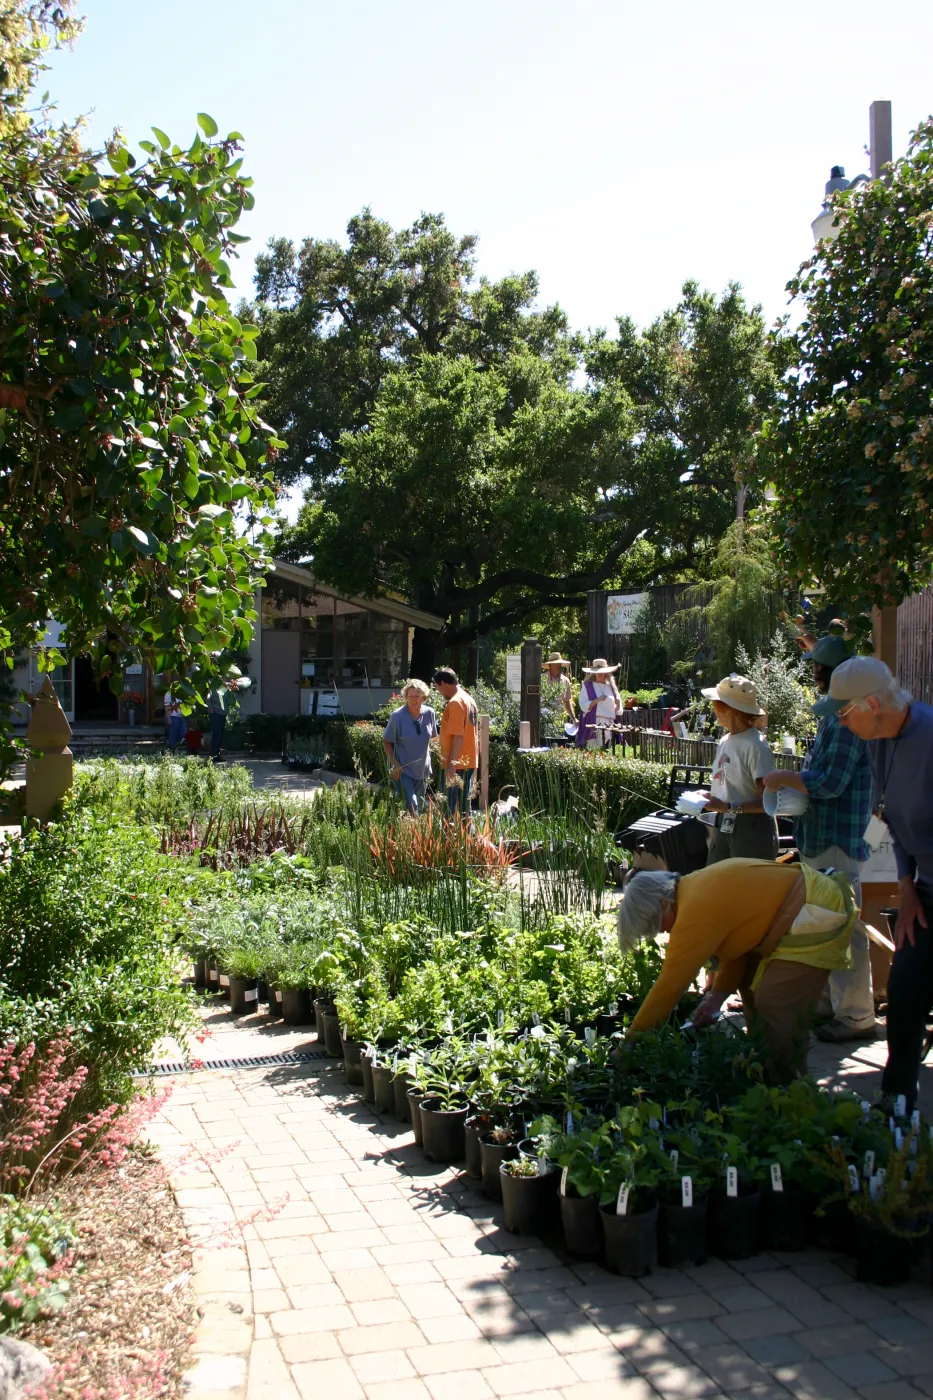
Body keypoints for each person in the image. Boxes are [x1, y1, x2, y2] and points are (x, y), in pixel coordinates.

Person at [618, 858, 859, 1079]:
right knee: (751, 987)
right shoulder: (695, 888)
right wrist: (716, 1000)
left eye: (657, 924)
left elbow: (668, 988)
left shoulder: (694, 909)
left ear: (663, 902)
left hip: (814, 909)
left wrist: (628, 1045)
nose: (662, 932)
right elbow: (739, 948)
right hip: (803, 907)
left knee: (773, 1003)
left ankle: (789, 1090)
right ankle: (767, 1075)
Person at [822, 656, 933, 1111]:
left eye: (845, 715)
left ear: (871, 703)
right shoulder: (877, 742)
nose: (842, 726)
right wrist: (906, 885)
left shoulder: (928, 737)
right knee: (906, 989)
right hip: (924, 887)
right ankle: (896, 1100)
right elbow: (892, 818)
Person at [762, 635, 875, 1044]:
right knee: (822, 926)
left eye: (817, 667)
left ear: (832, 672)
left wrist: (786, 778)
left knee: (846, 927)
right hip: (820, 835)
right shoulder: (833, 713)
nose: (812, 673)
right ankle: (830, 1005)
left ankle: (858, 1015)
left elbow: (831, 782)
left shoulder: (849, 720)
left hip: (838, 840)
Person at [700, 674, 777, 863]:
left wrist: (729, 807)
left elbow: (769, 803)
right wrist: (712, 798)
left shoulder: (756, 745)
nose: (713, 709)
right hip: (723, 827)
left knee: (747, 890)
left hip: (751, 833)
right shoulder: (725, 741)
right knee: (717, 885)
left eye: (716, 704)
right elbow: (729, 789)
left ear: (729, 709)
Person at [382, 679, 437, 814]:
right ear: (406, 697)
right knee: (412, 804)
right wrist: (395, 764)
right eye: (410, 696)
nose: (414, 700)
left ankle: (411, 833)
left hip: (422, 770)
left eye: (417, 696)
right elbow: (386, 742)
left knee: (419, 805)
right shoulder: (397, 716)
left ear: (423, 697)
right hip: (402, 770)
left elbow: (434, 738)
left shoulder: (430, 713)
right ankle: (412, 831)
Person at [432, 668, 477, 817]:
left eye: (437, 688)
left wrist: (451, 764)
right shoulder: (468, 699)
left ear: (443, 684)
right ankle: (467, 838)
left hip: (456, 762)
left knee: (449, 807)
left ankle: (449, 839)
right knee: (465, 807)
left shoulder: (455, 703)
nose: (438, 692)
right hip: (468, 761)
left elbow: (458, 736)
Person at [576, 659, 622, 748]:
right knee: (594, 752)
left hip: (610, 725)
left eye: (602, 671)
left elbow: (619, 711)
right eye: (597, 672)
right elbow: (583, 705)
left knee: (607, 753)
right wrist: (597, 700)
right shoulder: (587, 686)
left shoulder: (612, 687)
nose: (600, 674)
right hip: (594, 724)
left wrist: (618, 704)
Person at [543, 651, 575, 721]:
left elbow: (567, 702)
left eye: (559, 664)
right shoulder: (542, 679)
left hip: (559, 719)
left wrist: (574, 719)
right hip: (543, 719)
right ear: (550, 665)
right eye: (555, 664)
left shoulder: (565, 680)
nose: (558, 666)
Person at [163, 687, 187, 754]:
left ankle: (176, 747)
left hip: (181, 716)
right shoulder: (169, 694)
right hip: (172, 716)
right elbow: (167, 707)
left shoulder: (182, 693)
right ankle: (171, 749)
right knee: (173, 733)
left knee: (184, 733)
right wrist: (169, 718)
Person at [208, 682, 227, 761]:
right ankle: (213, 755)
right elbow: (208, 700)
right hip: (216, 714)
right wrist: (212, 712)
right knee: (217, 735)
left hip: (222, 715)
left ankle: (218, 755)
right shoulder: (212, 688)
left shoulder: (224, 688)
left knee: (221, 736)